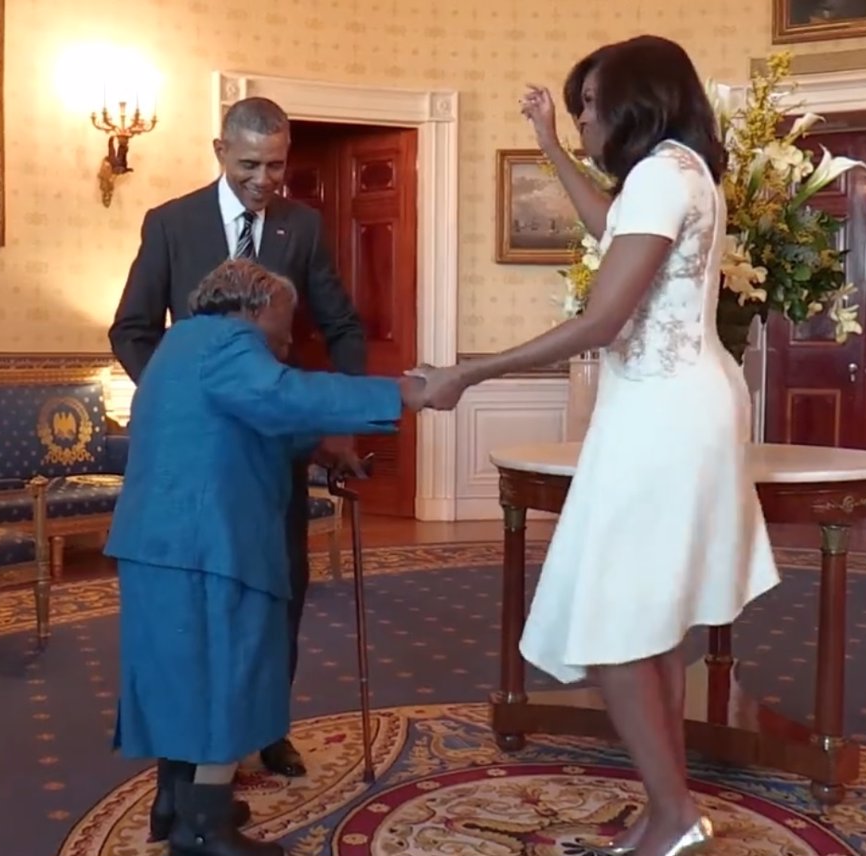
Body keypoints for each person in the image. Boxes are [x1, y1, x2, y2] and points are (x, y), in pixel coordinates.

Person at [410, 36, 781, 856]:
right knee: (645, 622)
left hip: (662, 416)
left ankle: (674, 814)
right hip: (681, 404)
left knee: (611, 619)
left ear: (632, 101)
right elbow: (610, 228)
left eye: (586, 106)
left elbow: (603, 321)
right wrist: (546, 146)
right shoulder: (686, 171)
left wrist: (471, 372)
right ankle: (671, 809)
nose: (581, 119)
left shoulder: (660, 175)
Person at [106, 259, 427, 856]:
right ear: (253, 307)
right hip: (210, 543)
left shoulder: (181, 344)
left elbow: (244, 421)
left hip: (162, 540)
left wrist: (322, 452)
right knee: (229, 674)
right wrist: (404, 391)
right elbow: (278, 395)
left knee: (183, 678)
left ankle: (180, 803)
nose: (286, 339)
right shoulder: (229, 341)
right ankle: (206, 832)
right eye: (282, 324)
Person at [108, 96, 361, 837]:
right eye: (250, 165)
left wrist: (338, 414)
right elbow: (130, 328)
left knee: (275, 594)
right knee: (188, 618)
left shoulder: (302, 226)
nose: (263, 180)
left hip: (267, 457)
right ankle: (175, 788)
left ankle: (262, 725)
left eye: (277, 165)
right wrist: (187, 400)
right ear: (221, 151)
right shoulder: (170, 222)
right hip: (194, 467)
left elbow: (340, 322)